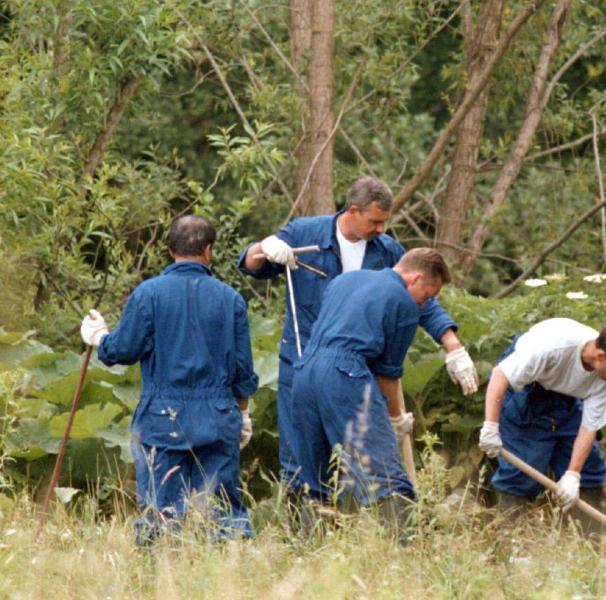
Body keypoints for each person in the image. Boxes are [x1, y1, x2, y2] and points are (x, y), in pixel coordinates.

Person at [237, 176, 477, 486]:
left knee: (362, 453)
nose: (380, 229)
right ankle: (305, 525)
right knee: (301, 457)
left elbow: (422, 300)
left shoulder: (388, 251)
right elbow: (248, 264)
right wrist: (264, 247)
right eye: (374, 221)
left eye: (384, 223)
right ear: (353, 210)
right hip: (301, 357)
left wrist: (453, 346)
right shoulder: (305, 233)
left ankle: (357, 519)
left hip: (356, 369)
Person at [80, 215, 259, 545]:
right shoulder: (230, 299)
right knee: (222, 512)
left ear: (169, 250)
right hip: (218, 416)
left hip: (163, 417)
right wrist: (242, 414)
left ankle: (157, 581)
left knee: (159, 513)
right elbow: (242, 371)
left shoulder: (148, 294)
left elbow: (122, 350)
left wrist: (100, 338)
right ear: (209, 250)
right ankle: (229, 581)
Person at [288, 248, 450, 529]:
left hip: (304, 373)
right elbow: (387, 376)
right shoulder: (403, 302)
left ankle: (310, 559)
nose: (426, 304)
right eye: (428, 295)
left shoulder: (344, 280)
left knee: (315, 483)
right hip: (344, 375)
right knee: (386, 477)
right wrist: (396, 420)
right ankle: (403, 555)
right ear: (415, 278)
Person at [477, 318, 606, 534]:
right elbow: (500, 377)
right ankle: (513, 547)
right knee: (519, 472)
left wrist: (573, 475)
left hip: (567, 398)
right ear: (601, 356)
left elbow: (589, 427)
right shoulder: (550, 348)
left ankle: (588, 548)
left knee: (589, 471)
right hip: (526, 391)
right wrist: (490, 426)